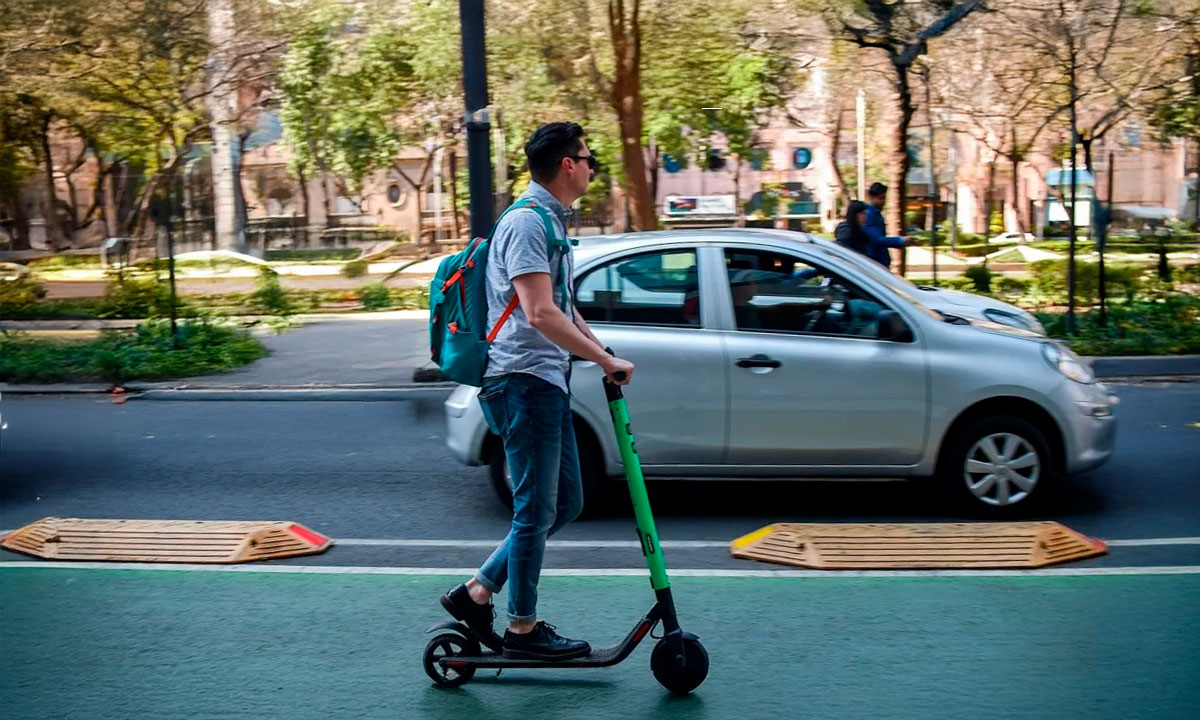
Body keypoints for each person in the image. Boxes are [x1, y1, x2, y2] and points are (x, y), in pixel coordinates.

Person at [439, 122, 635, 661]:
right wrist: (603, 360)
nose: (593, 167)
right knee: (533, 510)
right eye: (589, 158)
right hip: (522, 381)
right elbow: (539, 312)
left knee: (565, 501)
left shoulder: (549, 221)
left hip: (544, 381)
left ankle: (476, 592)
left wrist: (602, 353)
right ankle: (522, 631)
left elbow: (563, 307)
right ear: (568, 164)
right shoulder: (527, 222)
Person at [862, 182, 910, 270]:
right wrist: (900, 241)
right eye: (880, 198)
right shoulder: (870, 215)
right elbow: (876, 239)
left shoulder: (875, 213)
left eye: (884, 198)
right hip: (875, 262)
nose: (883, 202)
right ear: (871, 197)